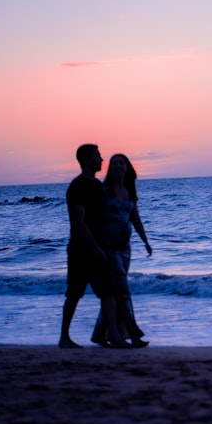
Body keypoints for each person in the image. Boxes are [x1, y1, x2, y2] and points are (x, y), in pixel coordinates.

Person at [59, 144, 128, 349]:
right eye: (98, 156)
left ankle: (114, 336)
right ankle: (64, 337)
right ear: (87, 159)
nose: (101, 159)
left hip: (100, 248)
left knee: (108, 291)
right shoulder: (78, 186)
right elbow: (78, 222)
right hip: (81, 250)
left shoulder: (97, 186)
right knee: (74, 293)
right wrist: (95, 248)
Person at [91, 153, 151, 348]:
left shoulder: (129, 190)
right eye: (114, 163)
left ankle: (100, 334)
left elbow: (135, 217)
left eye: (121, 163)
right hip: (108, 249)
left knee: (114, 292)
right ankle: (133, 334)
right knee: (122, 291)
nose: (118, 166)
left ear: (127, 167)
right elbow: (94, 218)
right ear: (111, 168)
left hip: (125, 250)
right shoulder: (104, 190)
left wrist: (145, 241)